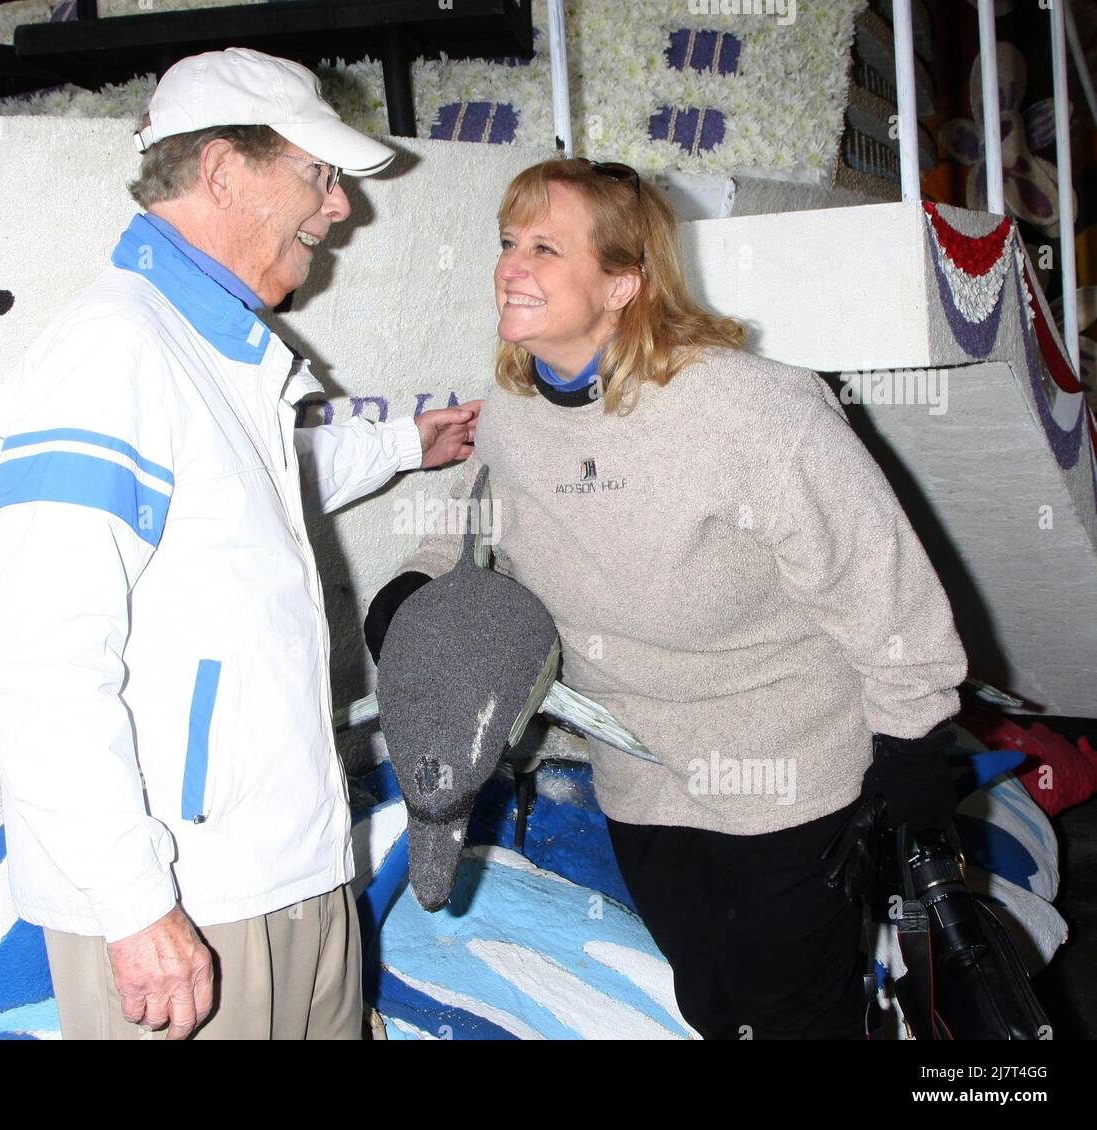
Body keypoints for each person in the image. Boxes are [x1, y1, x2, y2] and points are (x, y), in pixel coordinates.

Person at [365, 158, 967, 1040]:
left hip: (787, 776)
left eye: (544, 246)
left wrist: (916, 751)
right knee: (713, 1003)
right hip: (640, 774)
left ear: (623, 282)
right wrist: (410, 597)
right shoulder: (515, 410)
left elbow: (881, 583)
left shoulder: (751, 408)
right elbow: (461, 536)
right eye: (506, 243)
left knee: (797, 1018)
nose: (510, 267)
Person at [0, 46, 479, 1041]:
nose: (340, 208)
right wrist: (135, 903)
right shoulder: (110, 354)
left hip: (286, 858)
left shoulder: (212, 346)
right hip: (188, 895)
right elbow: (39, 667)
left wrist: (403, 443)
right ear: (222, 172)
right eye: (318, 175)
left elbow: (252, 489)